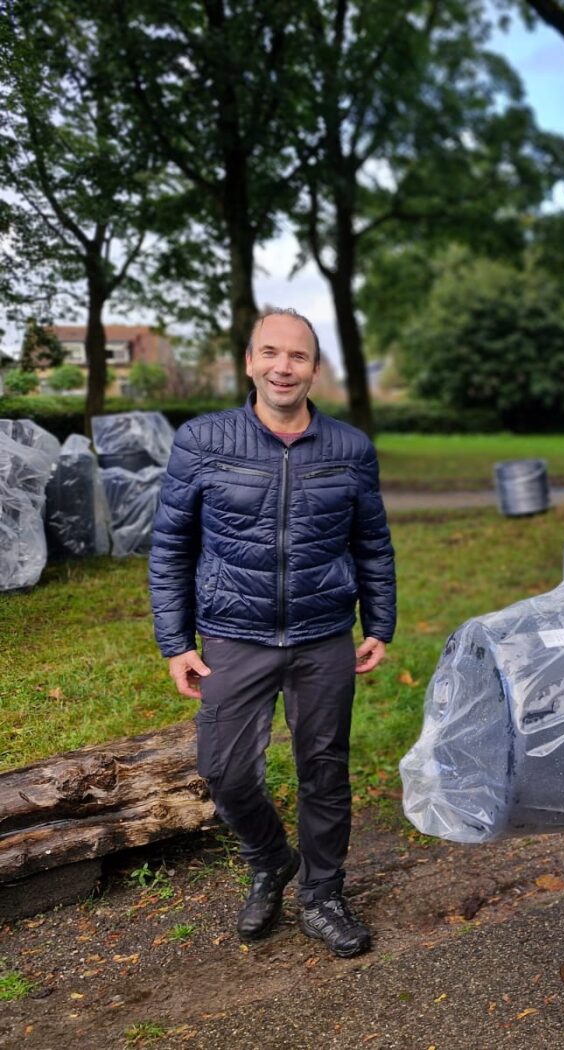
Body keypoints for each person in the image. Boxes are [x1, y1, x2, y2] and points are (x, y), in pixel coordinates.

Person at [149, 307, 396, 957]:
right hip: (234, 633)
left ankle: (322, 895)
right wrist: (176, 642)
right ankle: (270, 859)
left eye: (298, 356)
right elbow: (172, 546)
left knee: (324, 772)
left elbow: (372, 543)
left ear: (315, 369)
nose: (283, 367)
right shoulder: (203, 442)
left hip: (322, 637)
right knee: (223, 770)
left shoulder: (349, 449)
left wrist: (381, 622)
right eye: (270, 353)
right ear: (250, 362)